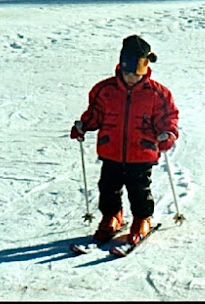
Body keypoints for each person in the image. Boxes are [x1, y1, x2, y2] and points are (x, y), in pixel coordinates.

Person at [70, 34, 179, 245]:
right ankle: (112, 216)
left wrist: (168, 133)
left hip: (142, 152)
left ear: (146, 69)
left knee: (139, 189)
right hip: (110, 150)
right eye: (127, 73)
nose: (131, 78)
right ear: (120, 66)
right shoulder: (105, 90)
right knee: (108, 187)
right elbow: (95, 113)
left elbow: (168, 118)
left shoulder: (157, 94)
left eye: (136, 74)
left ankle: (142, 218)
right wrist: (84, 125)